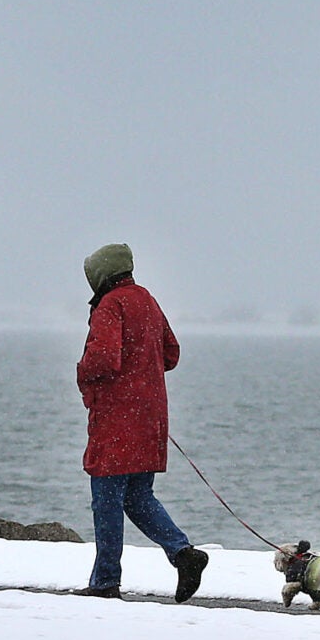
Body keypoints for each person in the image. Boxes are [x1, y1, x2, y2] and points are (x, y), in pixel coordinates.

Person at [75, 243, 208, 602]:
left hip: (117, 419)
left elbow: (102, 359)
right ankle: (183, 554)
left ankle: (105, 582)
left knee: (107, 500)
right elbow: (171, 353)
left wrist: (82, 371)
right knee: (137, 496)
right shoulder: (146, 300)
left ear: (101, 275)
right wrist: (141, 377)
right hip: (148, 417)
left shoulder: (110, 305)